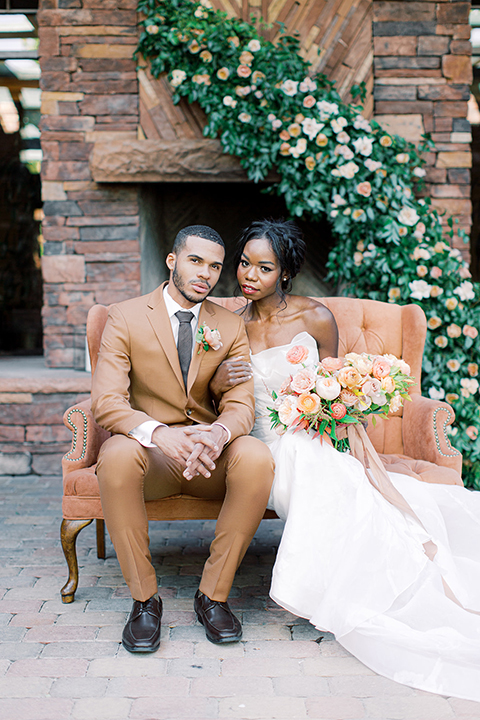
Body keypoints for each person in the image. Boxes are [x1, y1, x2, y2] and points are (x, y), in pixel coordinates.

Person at [210, 218, 480, 701]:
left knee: (315, 457)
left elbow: (333, 391)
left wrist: (330, 413)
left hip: (312, 437)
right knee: (297, 454)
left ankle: (381, 573)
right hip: (259, 445)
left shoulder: (316, 318)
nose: (249, 274)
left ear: (286, 273)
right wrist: (218, 379)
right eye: (245, 263)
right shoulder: (228, 325)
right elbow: (213, 401)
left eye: (264, 267)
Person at [91, 224, 274, 653]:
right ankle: (144, 601)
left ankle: (213, 595)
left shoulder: (228, 325)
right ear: (173, 261)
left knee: (255, 455)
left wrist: (218, 433)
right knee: (116, 455)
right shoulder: (126, 315)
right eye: (195, 261)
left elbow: (241, 402)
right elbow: (106, 401)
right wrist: (157, 434)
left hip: (209, 457)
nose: (205, 274)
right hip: (150, 455)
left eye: (214, 266)